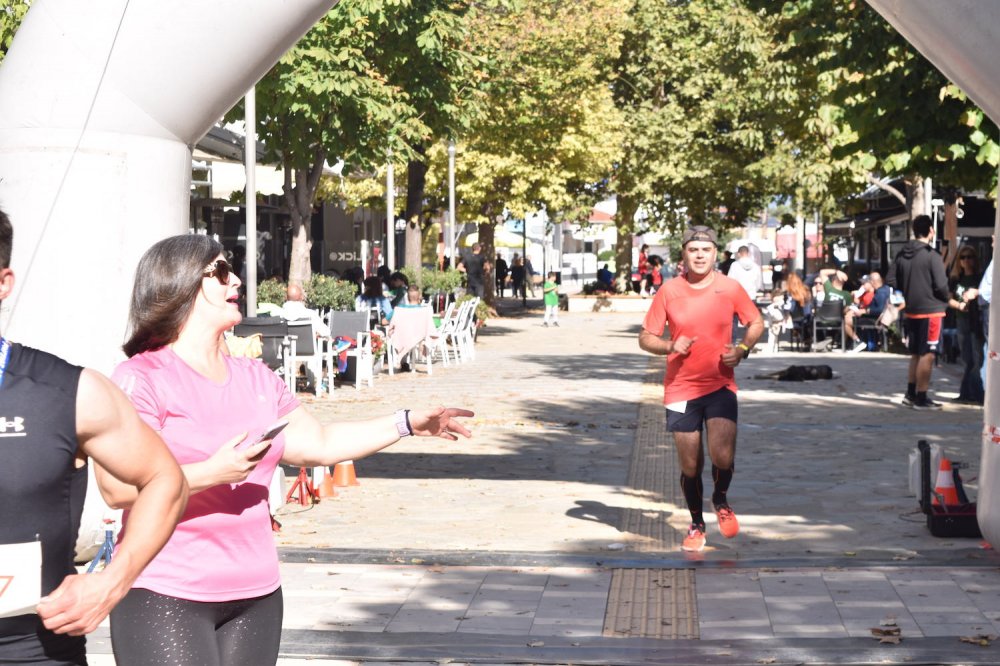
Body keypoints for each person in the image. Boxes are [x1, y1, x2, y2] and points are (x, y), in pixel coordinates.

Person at [96, 235, 473, 665]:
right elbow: (116, 488)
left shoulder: (256, 377)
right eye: (220, 272)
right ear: (178, 285)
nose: (235, 278)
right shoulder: (140, 378)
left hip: (256, 597)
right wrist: (212, 473)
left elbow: (322, 444)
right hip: (163, 591)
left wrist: (406, 423)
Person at [0, 207, 188, 664]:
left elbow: (166, 481)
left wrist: (111, 583)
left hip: (32, 650)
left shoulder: (69, 392)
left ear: (3, 283)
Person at [638, 226, 763, 553]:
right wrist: (668, 345)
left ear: (714, 253)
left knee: (723, 456)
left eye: (705, 250)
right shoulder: (669, 290)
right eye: (693, 250)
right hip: (680, 389)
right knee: (690, 464)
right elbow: (645, 337)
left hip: (720, 383)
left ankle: (720, 499)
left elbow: (756, 322)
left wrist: (743, 350)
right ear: (684, 254)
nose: (699, 255)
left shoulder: (730, 287)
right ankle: (696, 523)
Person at [890, 214, 950, 409]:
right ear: (931, 231)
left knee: (916, 353)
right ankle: (922, 397)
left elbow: (890, 279)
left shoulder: (901, 254)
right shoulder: (932, 255)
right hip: (931, 310)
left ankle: (910, 393)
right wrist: (947, 298)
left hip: (912, 310)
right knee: (928, 354)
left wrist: (905, 294)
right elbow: (941, 286)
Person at [948, 245, 984, 404]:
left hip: (977, 320)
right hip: (962, 319)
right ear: (959, 261)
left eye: (969, 257)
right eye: (963, 257)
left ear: (975, 260)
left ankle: (975, 393)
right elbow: (948, 299)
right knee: (967, 357)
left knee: (978, 357)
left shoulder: (980, 278)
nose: (966, 260)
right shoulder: (956, 279)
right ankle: (966, 393)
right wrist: (959, 305)